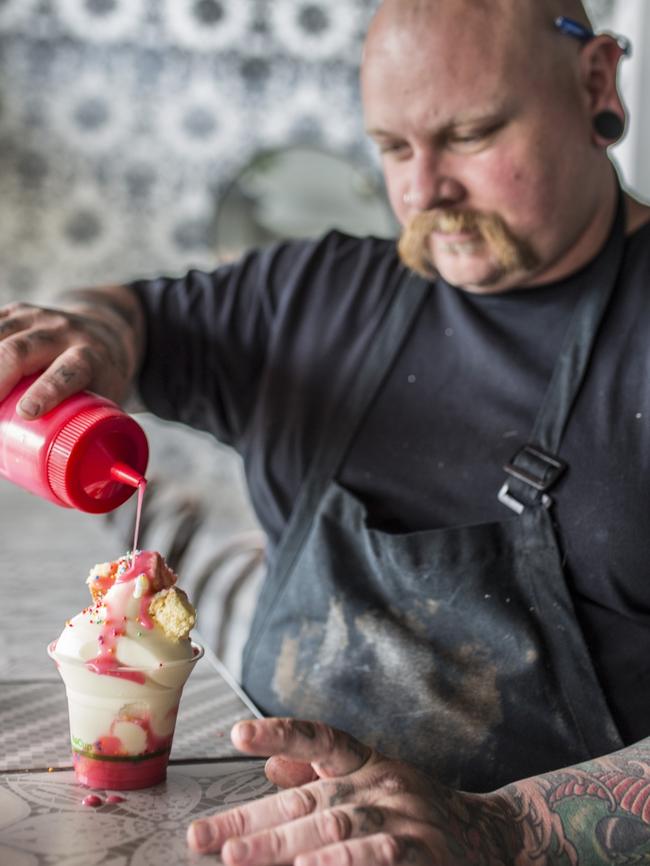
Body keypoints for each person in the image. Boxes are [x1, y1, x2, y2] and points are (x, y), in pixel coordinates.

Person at [1, 0, 650, 861]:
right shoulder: (318, 297)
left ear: (595, 82)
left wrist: (507, 827)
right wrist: (84, 336)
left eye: (471, 135)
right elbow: (133, 319)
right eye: (392, 148)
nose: (423, 192)